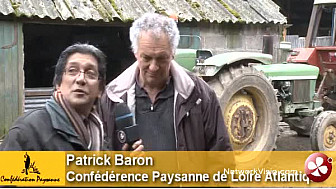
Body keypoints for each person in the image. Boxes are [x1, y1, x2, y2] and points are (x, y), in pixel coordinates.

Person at [100, 13, 233, 151]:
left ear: (173, 53)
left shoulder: (200, 96)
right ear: (135, 53)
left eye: (161, 58)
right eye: (146, 58)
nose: (153, 67)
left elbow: (221, 159)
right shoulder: (112, 99)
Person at [0, 43, 143, 151]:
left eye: (90, 73)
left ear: (100, 89)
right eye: (72, 71)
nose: (81, 79)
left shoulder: (99, 134)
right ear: (58, 83)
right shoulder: (28, 131)